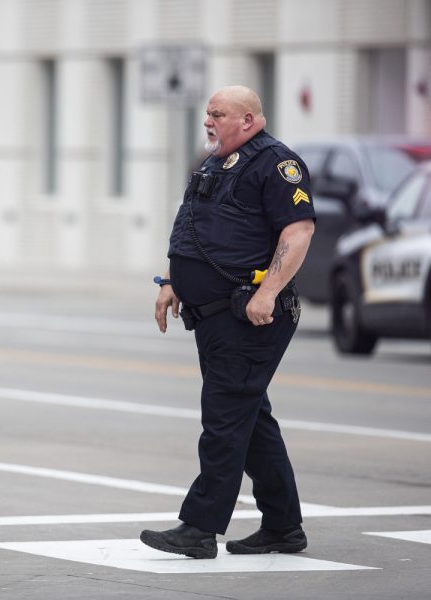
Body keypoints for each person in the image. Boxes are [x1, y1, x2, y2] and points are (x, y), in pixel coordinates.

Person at [140, 86, 315, 559]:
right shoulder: (217, 161)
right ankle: (282, 526)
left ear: (249, 119)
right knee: (250, 419)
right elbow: (194, 227)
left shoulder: (277, 164)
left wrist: (268, 293)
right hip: (213, 316)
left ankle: (199, 528)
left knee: (223, 421)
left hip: (249, 317)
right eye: (208, 114)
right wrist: (172, 280)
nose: (208, 122)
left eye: (218, 114)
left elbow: (298, 231)